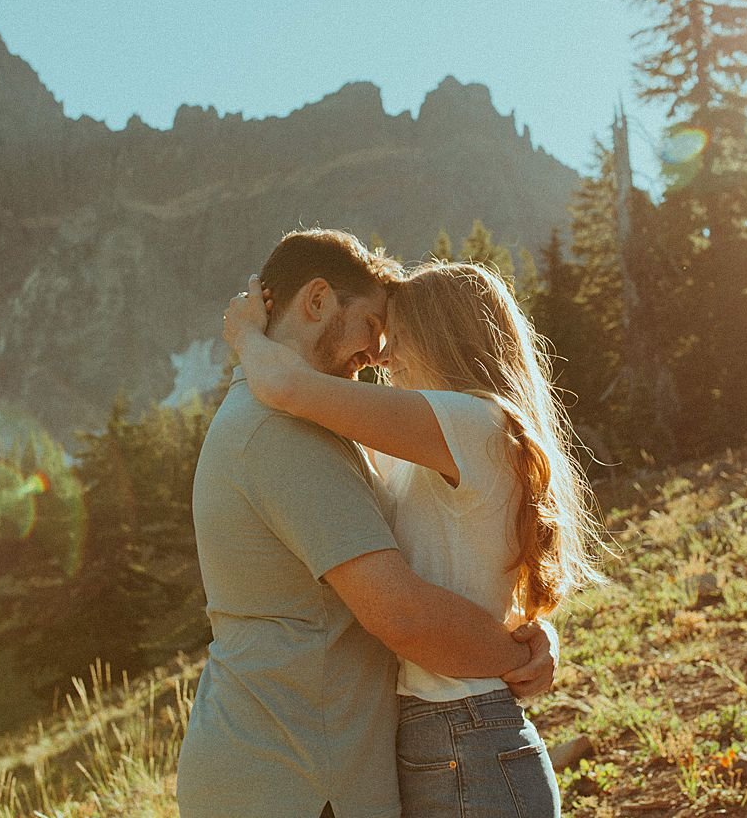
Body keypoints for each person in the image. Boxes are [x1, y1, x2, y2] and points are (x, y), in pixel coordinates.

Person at [177, 230, 557, 818]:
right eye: (375, 325)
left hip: (314, 763)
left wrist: (523, 636)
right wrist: (516, 654)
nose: (378, 353)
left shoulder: (324, 424)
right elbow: (401, 614)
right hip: (294, 776)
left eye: (395, 335)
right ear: (319, 300)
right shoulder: (282, 432)